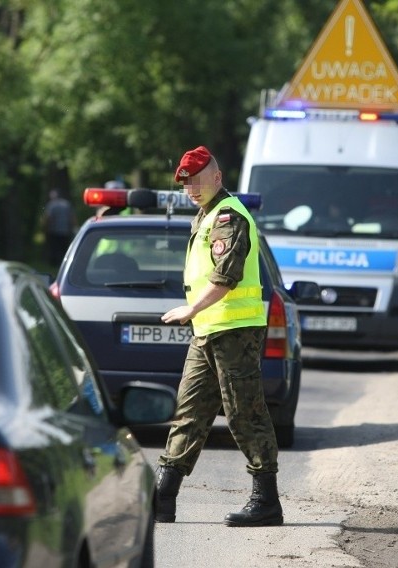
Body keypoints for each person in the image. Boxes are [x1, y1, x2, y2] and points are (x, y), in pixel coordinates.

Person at [155, 146, 282, 527]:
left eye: (197, 179)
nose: (191, 187)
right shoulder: (206, 214)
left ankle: (266, 501)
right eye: (185, 182)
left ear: (216, 176)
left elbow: (226, 276)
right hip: (208, 330)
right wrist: (197, 317)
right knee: (189, 412)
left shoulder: (228, 216)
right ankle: (163, 497)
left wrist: (191, 310)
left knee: (245, 411)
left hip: (234, 330)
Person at [42, 188, 76, 266]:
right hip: (65, 230)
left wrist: (45, 227)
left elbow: (48, 217)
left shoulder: (51, 205)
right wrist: (73, 227)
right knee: (64, 248)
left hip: (54, 230)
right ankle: (65, 263)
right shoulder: (66, 204)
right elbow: (72, 217)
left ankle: (54, 264)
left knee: (54, 248)